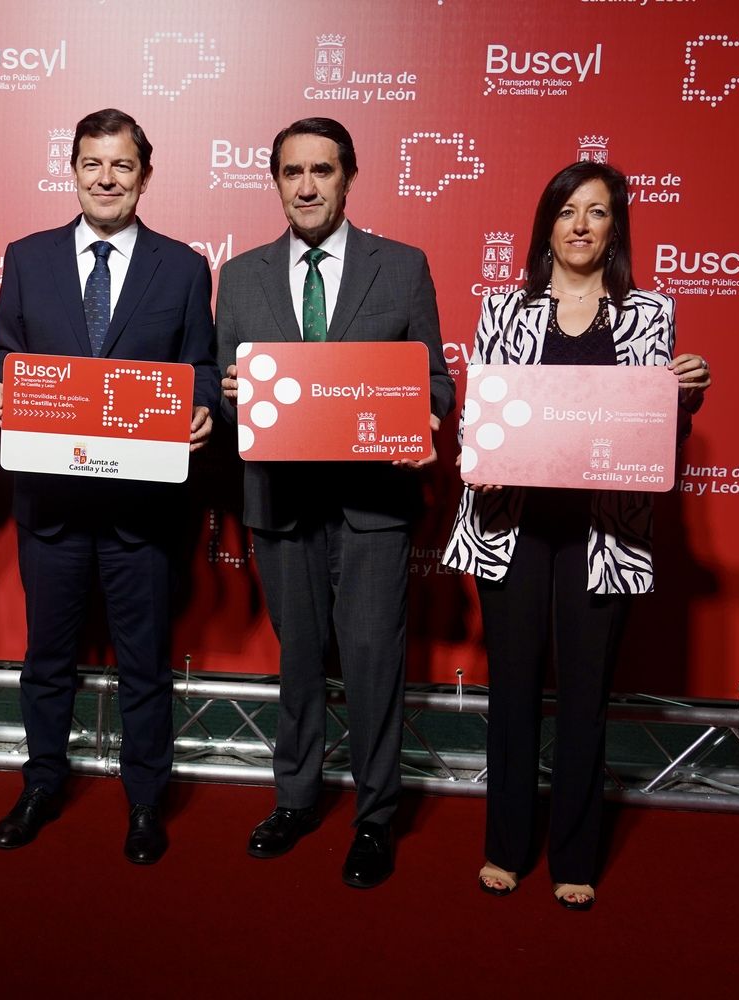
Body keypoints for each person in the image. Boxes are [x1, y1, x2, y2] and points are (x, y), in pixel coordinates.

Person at [443, 161, 711, 910]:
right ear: (547, 226)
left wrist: (684, 398)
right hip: (511, 525)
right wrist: (480, 458)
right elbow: (478, 412)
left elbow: (653, 429)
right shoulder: (504, 307)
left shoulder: (649, 314)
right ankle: (505, 847)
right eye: (567, 211)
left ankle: (575, 856)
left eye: (596, 211)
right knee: (513, 687)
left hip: (603, 531)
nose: (581, 225)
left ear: (615, 228)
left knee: (586, 694)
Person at [216, 117, 453, 888]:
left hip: (372, 502)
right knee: (298, 663)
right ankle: (295, 799)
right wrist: (226, 395)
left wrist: (426, 415)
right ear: (276, 182)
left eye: (322, 170)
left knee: (375, 660)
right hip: (281, 500)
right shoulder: (240, 276)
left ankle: (376, 815)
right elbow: (222, 391)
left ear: (348, 177)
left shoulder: (403, 267)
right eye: (293, 172)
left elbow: (437, 381)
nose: (308, 186)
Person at [0, 108, 219, 864]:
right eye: (93, 163)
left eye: (122, 165)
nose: (107, 178)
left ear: (144, 176)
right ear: (74, 170)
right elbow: (4, 354)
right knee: (46, 660)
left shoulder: (183, 267)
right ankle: (41, 785)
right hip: (51, 505)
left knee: (144, 665)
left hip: (141, 511)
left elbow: (201, 366)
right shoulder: (27, 257)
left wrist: (203, 407)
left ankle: (146, 800)